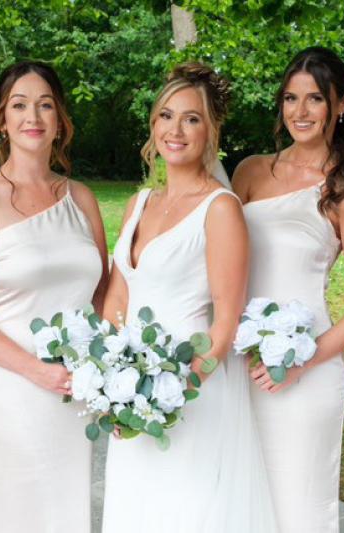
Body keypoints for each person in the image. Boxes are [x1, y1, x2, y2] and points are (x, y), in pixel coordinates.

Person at [100, 62, 276, 533]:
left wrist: (170, 394)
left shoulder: (220, 209)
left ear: (210, 131)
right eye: (166, 116)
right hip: (130, 389)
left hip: (190, 389)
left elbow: (225, 324)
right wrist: (112, 386)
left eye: (191, 119)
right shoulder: (139, 202)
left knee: (186, 512)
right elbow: (117, 297)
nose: (175, 130)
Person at [0, 60, 108, 533]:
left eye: (45, 105)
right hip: (6, 387)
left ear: (60, 120)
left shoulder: (81, 198)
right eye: (19, 105)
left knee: (64, 510)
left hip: (73, 388)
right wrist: (37, 370)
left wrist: (106, 366)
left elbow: (102, 290)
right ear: (2, 119)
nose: (32, 116)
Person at [232, 46, 344, 532]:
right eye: (291, 98)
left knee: (299, 509)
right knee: (242, 505)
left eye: (315, 98)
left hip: (307, 372)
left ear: (341, 104)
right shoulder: (250, 172)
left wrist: (300, 361)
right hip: (238, 367)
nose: (300, 111)